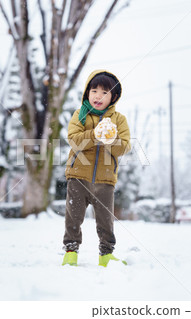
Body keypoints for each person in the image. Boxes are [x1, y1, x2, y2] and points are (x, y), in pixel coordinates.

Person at [62, 70, 131, 267]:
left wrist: (110, 139)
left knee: (105, 221)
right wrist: (95, 135)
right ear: (87, 93)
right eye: (94, 91)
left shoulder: (119, 120)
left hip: (105, 179)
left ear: (113, 97)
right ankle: (70, 252)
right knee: (73, 218)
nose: (98, 96)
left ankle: (106, 255)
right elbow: (74, 140)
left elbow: (124, 146)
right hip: (78, 176)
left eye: (104, 92)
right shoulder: (80, 115)